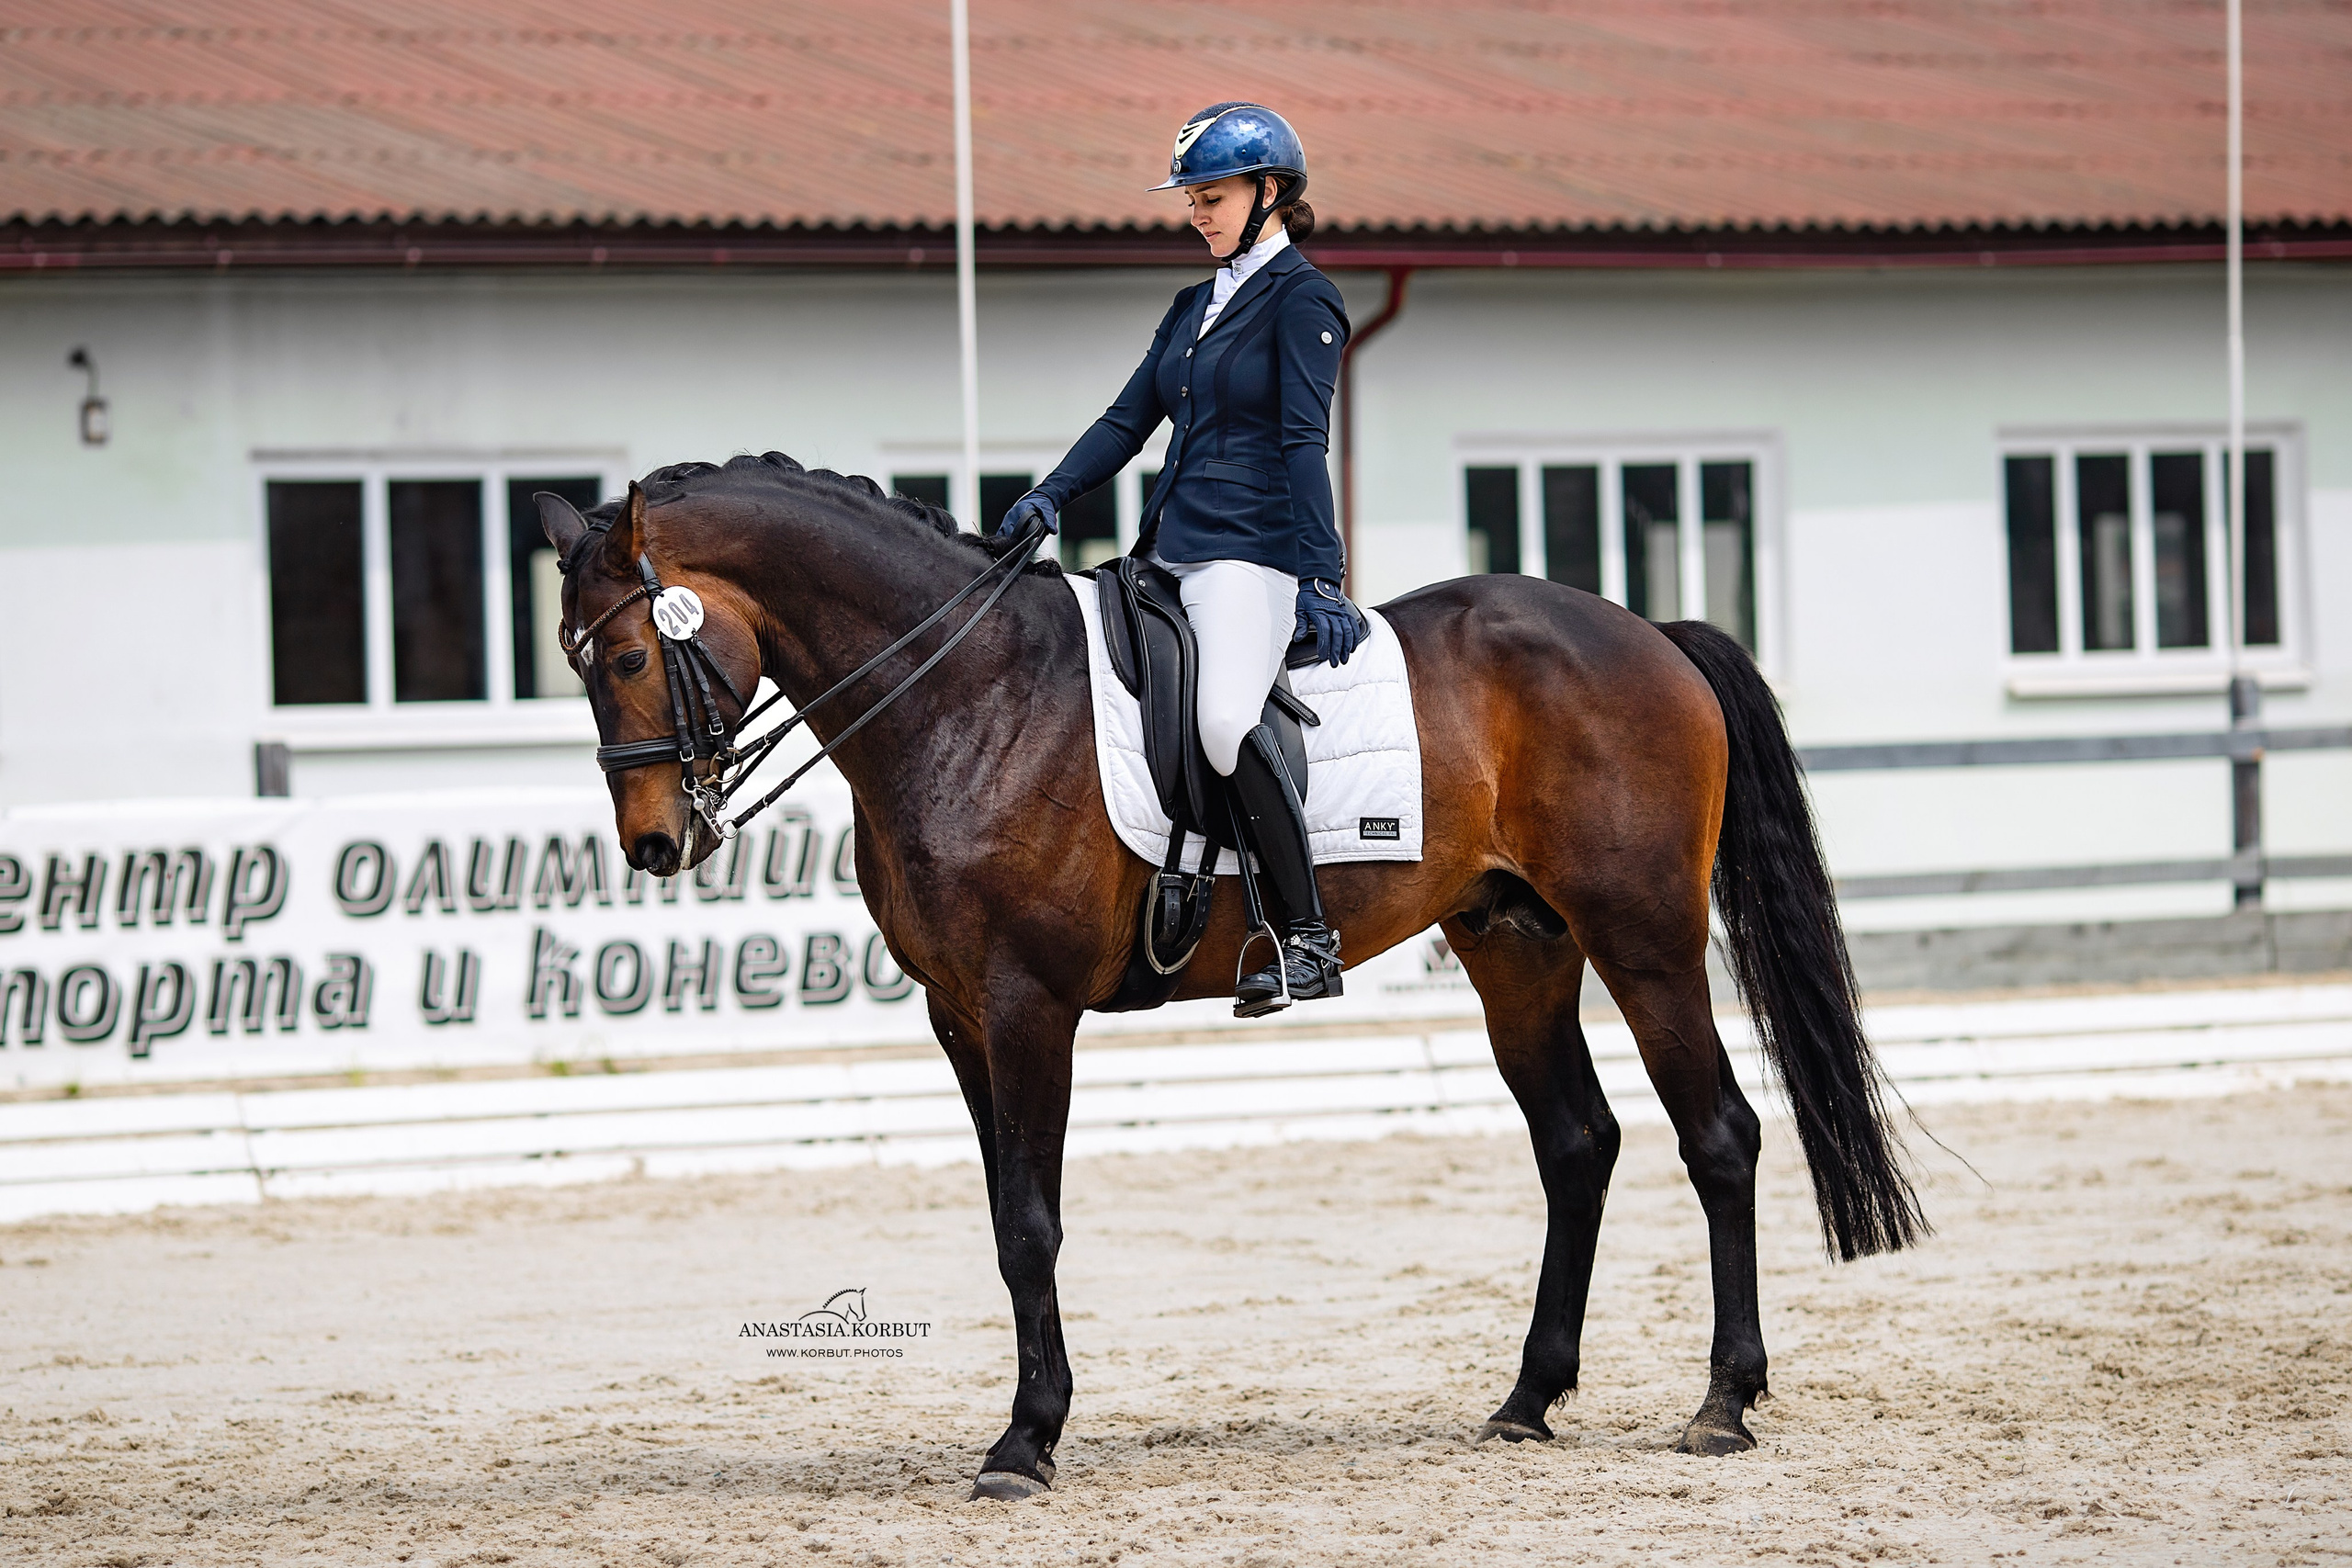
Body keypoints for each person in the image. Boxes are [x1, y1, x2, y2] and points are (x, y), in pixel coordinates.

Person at [997, 102, 1359, 1016]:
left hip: (1251, 555)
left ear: (1269, 192)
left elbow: (1303, 443)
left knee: (1225, 721)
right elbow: (1128, 421)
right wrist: (1051, 494)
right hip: (1167, 548)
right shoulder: (1193, 306)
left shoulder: (1304, 299)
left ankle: (1308, 939)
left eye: (1212, 197)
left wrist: (1321, 574)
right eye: (1190, 200)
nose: (1196, 214)